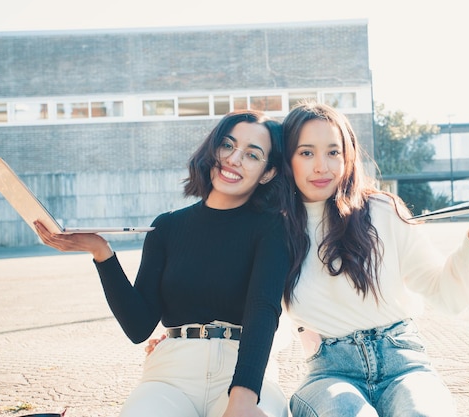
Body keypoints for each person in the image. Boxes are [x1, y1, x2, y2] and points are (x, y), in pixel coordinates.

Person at [279, 101, 469, 417]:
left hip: (403, 364)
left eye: (333, 152)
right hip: (329, 374)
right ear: (287, 159)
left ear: (348, 156)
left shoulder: (382, 212)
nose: (321, 167)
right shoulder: (276, 231)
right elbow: (260, 320)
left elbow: (447, 294)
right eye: (306, 153)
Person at [34, 110, 292, 417]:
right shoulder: (167, 228)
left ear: (268, 172)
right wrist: (100, 251)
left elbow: (263, 313)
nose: (234, 159)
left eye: (252, 155)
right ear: (213, 149)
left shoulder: (273, 228)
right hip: (171, 375)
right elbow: (139, 327)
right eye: (227, 145)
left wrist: (243, 400)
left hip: (244, 370)